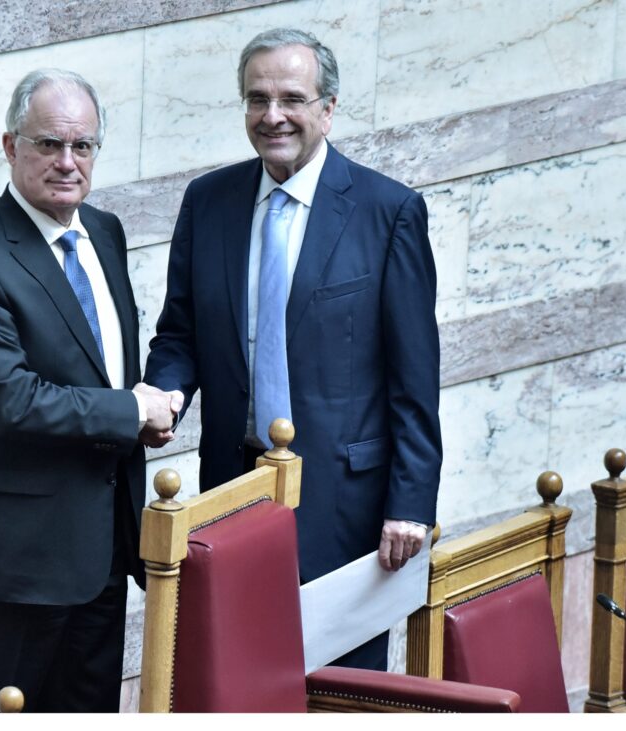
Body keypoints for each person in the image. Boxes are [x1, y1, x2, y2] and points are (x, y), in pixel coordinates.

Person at [144, 28, 442, 670]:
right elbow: (180, 332)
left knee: (339, 688)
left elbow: (414, 377)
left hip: (346, 506)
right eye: (257, 99)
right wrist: (165, 390)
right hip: (234, 489)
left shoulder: (388, 212)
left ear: (327, 109)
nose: (272, 115)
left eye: (291, 99)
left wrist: (411, 504)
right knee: (239, 679)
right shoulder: (208, 201)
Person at [0, 68, 181, 712]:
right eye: (49, 144)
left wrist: (141, 412)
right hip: (12, 567)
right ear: (11, 147)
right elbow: (9, 401)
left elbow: (101, 367)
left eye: (82, 145)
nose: (68, 162)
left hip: (104, 550)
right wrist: (129, 410)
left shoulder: (105, 231)